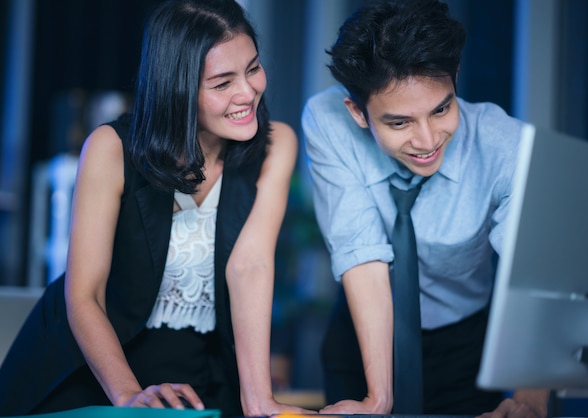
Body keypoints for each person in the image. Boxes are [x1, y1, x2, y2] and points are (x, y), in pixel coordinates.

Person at [0, 1, 311, 416]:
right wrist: (129, 396)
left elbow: (251, 267)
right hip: (94, 376)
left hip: (203, 380)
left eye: (253, 68)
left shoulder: (277, 143)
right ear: (177, 88)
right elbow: (85, 294)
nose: (248, 92)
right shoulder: (110, 149)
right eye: (222, 83)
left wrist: (258, 402)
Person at [301, 0, 550, 416]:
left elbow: (536, 279)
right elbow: (361, 253)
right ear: (358, 113)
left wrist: (529, 401)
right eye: (399, 122)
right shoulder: (329, 122)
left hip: (466, 347)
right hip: (362, 337)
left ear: (454, 79)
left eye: (441, 109)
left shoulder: (505, 145)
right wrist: (377, 399)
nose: (428, 139)